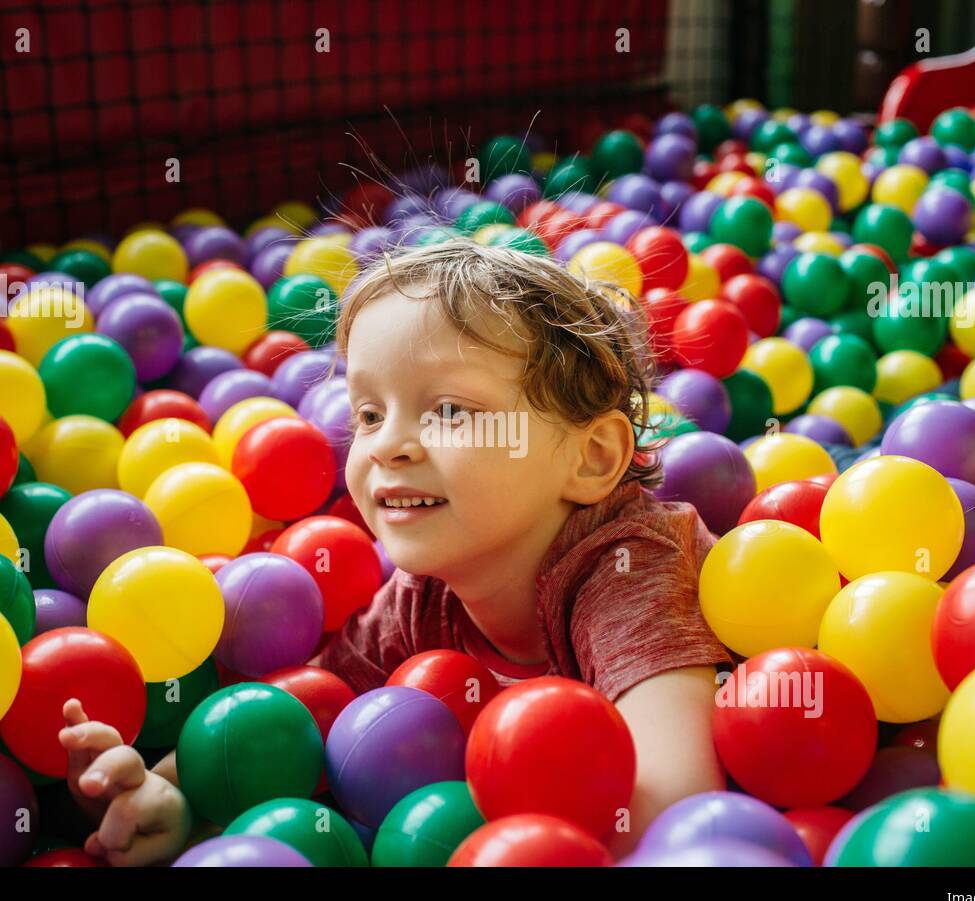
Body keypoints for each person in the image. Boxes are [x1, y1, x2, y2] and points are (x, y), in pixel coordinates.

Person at [60, 237, 733, 864]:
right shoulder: (419, 599)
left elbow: (671, 804)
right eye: (369, 414)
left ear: (590, 458)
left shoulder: (630, 567)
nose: (385, 445)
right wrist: (171, 792)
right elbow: (302, 722)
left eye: (447, 410)